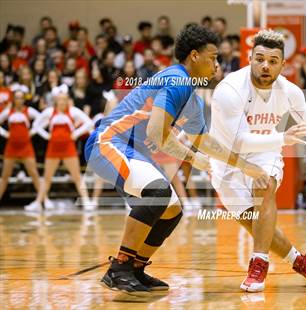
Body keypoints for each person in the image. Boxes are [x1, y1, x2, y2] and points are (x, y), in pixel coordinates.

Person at [84, 25, 268, 296]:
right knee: (157, 193)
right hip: (109, 142)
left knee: (172, 210)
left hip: (131, 150)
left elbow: (204, 141)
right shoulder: (176, 79)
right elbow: (156, 134)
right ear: (194, 56)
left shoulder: (190, 96)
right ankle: (119, 268)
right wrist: (195, 159)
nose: (217, 64)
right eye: (212, 57)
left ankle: (135, 268)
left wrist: (246, 167)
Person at [210, 29, 306, 292]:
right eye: (259, 59)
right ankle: (299, 261)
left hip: (265, 151)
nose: (265, 65)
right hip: (227, 159)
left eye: (273, 61)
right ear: (249, 58)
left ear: (282, 65)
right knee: (256, 223)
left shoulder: (290, 91)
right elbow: (238, 142)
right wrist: (281, 139)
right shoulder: (229, 90)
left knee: (264, 185)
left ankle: (258, 264)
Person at [24, 84, 93, 211]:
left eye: (64, 99)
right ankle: (38, 202)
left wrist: (76, 134)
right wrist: (46, 136)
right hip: (53, 148)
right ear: (55, 100)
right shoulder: (49, 112)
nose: (61, 101)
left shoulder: (73, 111)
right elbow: (36, 124)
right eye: (59, 99)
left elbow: (89, 122)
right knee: (47, 177)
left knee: (77, 176)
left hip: (69, 148)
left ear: (67, 100)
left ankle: (86, 201)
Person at [0, 87, 41, 203]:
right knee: (5, 176)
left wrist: (33, 131)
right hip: (11, 147)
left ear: (24, 99)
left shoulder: (29, 111)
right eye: (16, 98)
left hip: (26, 147)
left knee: (34, 174)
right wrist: (4, 133)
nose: (19, 100)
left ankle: (43, 200)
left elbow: (42, 119)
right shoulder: (8, 112)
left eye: (21, 98)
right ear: (13, 99)